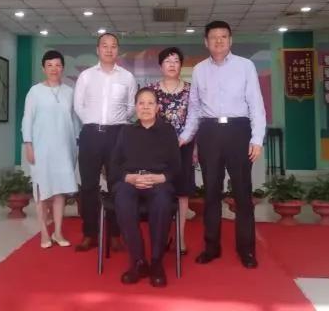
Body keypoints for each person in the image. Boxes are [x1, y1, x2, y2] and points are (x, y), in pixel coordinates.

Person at [179, 21, 266, 269]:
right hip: (209, 132)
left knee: (242, 193)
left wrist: (257, 139)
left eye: (224, 36)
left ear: (230, 40)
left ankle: (246, 250)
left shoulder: (245, 66)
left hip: (239, 130)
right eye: (214, 37)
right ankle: (211, 247)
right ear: (206, 42)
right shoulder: (199, 70)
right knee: (211, 193)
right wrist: (185, 137)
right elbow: (195, 108)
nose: (219, 41)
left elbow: (256, 104)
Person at [110, 87, 181, 287]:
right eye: (141, 103)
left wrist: (161, 178)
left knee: (162, 201)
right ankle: (138, 261)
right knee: (122, 199)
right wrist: (129, 178)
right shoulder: (126, 132)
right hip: (131, 181)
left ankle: (156, 261)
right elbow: (114, 165)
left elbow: (176, 167)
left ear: (157, 108)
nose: (146, 107)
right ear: (135, 107)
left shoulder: (167, 131)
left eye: (150, 103)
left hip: (158, 182)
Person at [73, 32, 137, 252]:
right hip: (91, 134)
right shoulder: (86, 76)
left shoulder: (127, 77)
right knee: (88, 186)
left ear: (118, 50)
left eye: (113, 46)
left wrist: (116, 124)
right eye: (105, 46)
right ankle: (90, 234)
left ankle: (116, 234)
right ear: (98, 50)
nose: (109, 50)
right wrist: (93, 123)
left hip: (118, 134)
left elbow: (131, 107)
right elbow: (79, 105)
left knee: (117, 185)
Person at [22, 50, 78, 249]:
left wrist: (77, 145)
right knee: (42, 192)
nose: (54, 69)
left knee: (60, 192)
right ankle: (44, 233)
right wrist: (28, 144)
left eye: (58, 65)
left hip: (64, 149)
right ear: (43, 68)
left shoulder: (69, 92)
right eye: (50, 65)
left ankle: (58, 232)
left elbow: (74, 121)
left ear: (63, 68)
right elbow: (27, 119)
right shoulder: (35, 92)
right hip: (41, 149)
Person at [149, 47, 194, 255]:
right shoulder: (152, 91)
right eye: (167, 61)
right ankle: (162, 234)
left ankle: (181, 237)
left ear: (181, 65)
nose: (172, 65)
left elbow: (195, 118)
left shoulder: (191, 90)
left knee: (182, 192)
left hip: (184, 146)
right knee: (161, 190)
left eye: (176, 61)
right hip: (158, 149)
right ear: (161, 66)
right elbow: (146, 119)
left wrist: (184, 140)